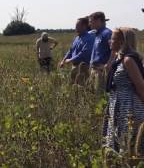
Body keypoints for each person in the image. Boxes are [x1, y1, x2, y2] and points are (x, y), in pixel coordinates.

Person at [103, 27, 144, 161]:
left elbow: (140, 87)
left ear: (122, 41)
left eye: (113, 38)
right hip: (118, 105)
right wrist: (113, 54)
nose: (110, 41)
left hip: (129, 107)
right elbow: (108, 69)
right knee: (118, 142)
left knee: (129, 143)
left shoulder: (128, 60)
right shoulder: (119, 58)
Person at [60, 17, 95, 85]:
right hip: (74, 67)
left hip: (83, 68)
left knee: (82, 88)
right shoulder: (77, 38)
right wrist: (63, 60)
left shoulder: (90, 38)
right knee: (74, 86)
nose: (75, 28)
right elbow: (70, 50)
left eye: (77, 26)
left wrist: (70, 60)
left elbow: (84, 53)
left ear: (84, 26)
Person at [88, 12, 113, 91]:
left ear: (98, 21)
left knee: (100, 96)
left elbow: (114, 50)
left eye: (91, 21)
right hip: (94, 69)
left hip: (101, 71)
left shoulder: (107, 33)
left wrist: (108, 65)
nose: (89, 24)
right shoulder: (97, 34)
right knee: (94, 95)